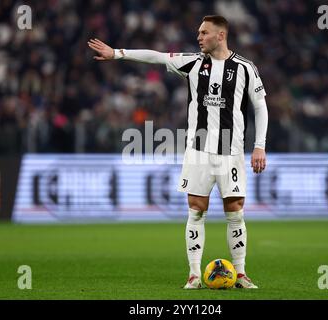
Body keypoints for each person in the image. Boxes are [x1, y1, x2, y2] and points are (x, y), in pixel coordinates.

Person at [88, 15, 268, 289]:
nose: (199, 37)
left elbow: (260, 107)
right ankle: (195, 274)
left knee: (235, 211)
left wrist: (259, 146)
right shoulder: (193, 63)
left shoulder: (245, 68)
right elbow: (157, 57)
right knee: (196, 210)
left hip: (231, 152)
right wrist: (118, 54)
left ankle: (241, 274)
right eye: (198, 32)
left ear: (220, 35)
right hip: (198, 152)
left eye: (204, 33)